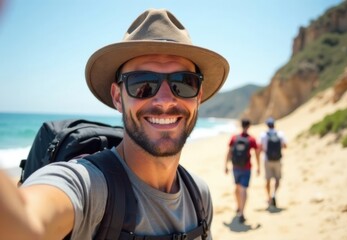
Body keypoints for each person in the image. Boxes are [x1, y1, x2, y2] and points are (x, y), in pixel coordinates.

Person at [0, 9, 229, 239]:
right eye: (144, 84)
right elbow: (28, 223)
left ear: (198, 97)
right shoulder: (89, 187)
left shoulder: (198, 196)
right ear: (118, 97)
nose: (165, 100)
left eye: (184, 83)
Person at [225, 119, 260, 223]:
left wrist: (225, 165)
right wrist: (259, 166)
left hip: (235, 167)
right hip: (246, 167)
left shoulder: (234, 138)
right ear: (249, 126)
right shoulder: (251, 139)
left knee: (237, 187)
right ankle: (242, 212)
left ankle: (238, 206)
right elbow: (257, 153)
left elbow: (229, 152)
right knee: (243, 189)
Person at [259, 117, 287, 208]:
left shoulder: (263, 135)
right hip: (278, 160)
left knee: (267, 180)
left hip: (267, 160)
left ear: (267, 125)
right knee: (277, 179)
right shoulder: (280, 134)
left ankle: (269, 197)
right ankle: (274, 194)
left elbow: (260, 148)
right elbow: (285, 146)